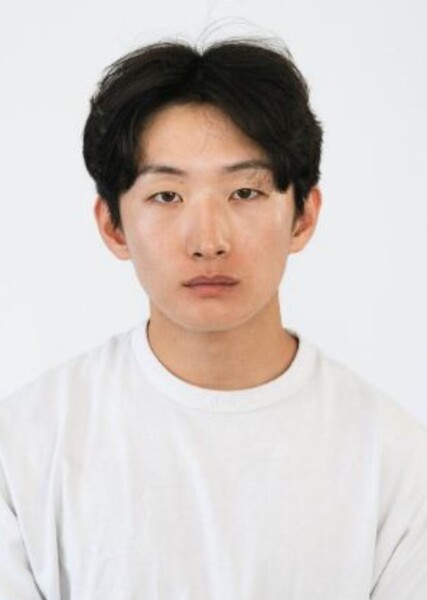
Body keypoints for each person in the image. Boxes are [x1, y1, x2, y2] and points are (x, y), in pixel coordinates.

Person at [0, 37, 426, 600]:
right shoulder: (26, 447)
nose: (208, 241)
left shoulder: (396, 461)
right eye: (167, 196)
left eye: (245, 191)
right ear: (112, 225)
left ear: (303, 216)